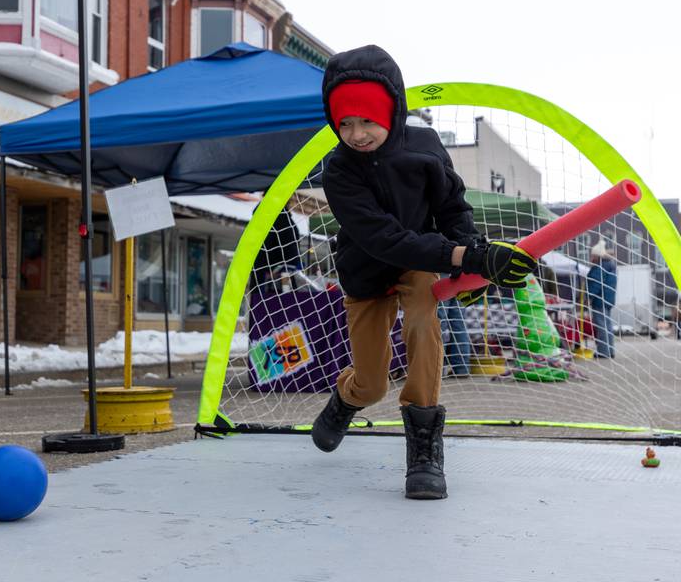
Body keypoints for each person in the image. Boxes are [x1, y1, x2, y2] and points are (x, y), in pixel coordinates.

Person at [310, 45, 537, 500]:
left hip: (420, 266)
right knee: (372, 383)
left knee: (422, 324)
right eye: (344, 124)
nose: (356, 134)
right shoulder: (337, 170)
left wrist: (474, 253)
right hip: (367, 270)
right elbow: (384, 238)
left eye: (366, 121)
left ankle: (424, 448)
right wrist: (462, 258)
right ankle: (346, 398)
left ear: (390, 111)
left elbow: (451, 206)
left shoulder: (425, 148)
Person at [249, 201, 302, 293]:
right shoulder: (284, 219)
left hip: (268, 274)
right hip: (280, 274)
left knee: (262, 302)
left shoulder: (267, 218)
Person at [587, 239, 617, 359]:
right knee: (607, 325)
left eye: (592, 255)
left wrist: (589, 297)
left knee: (601, 326)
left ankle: (603, 351)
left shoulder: (599, 267)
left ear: (597, 256)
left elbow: (595, 283)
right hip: (608, 300)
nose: (591, 258)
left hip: (600, 300)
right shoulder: (610, 265)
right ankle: (610, 350)